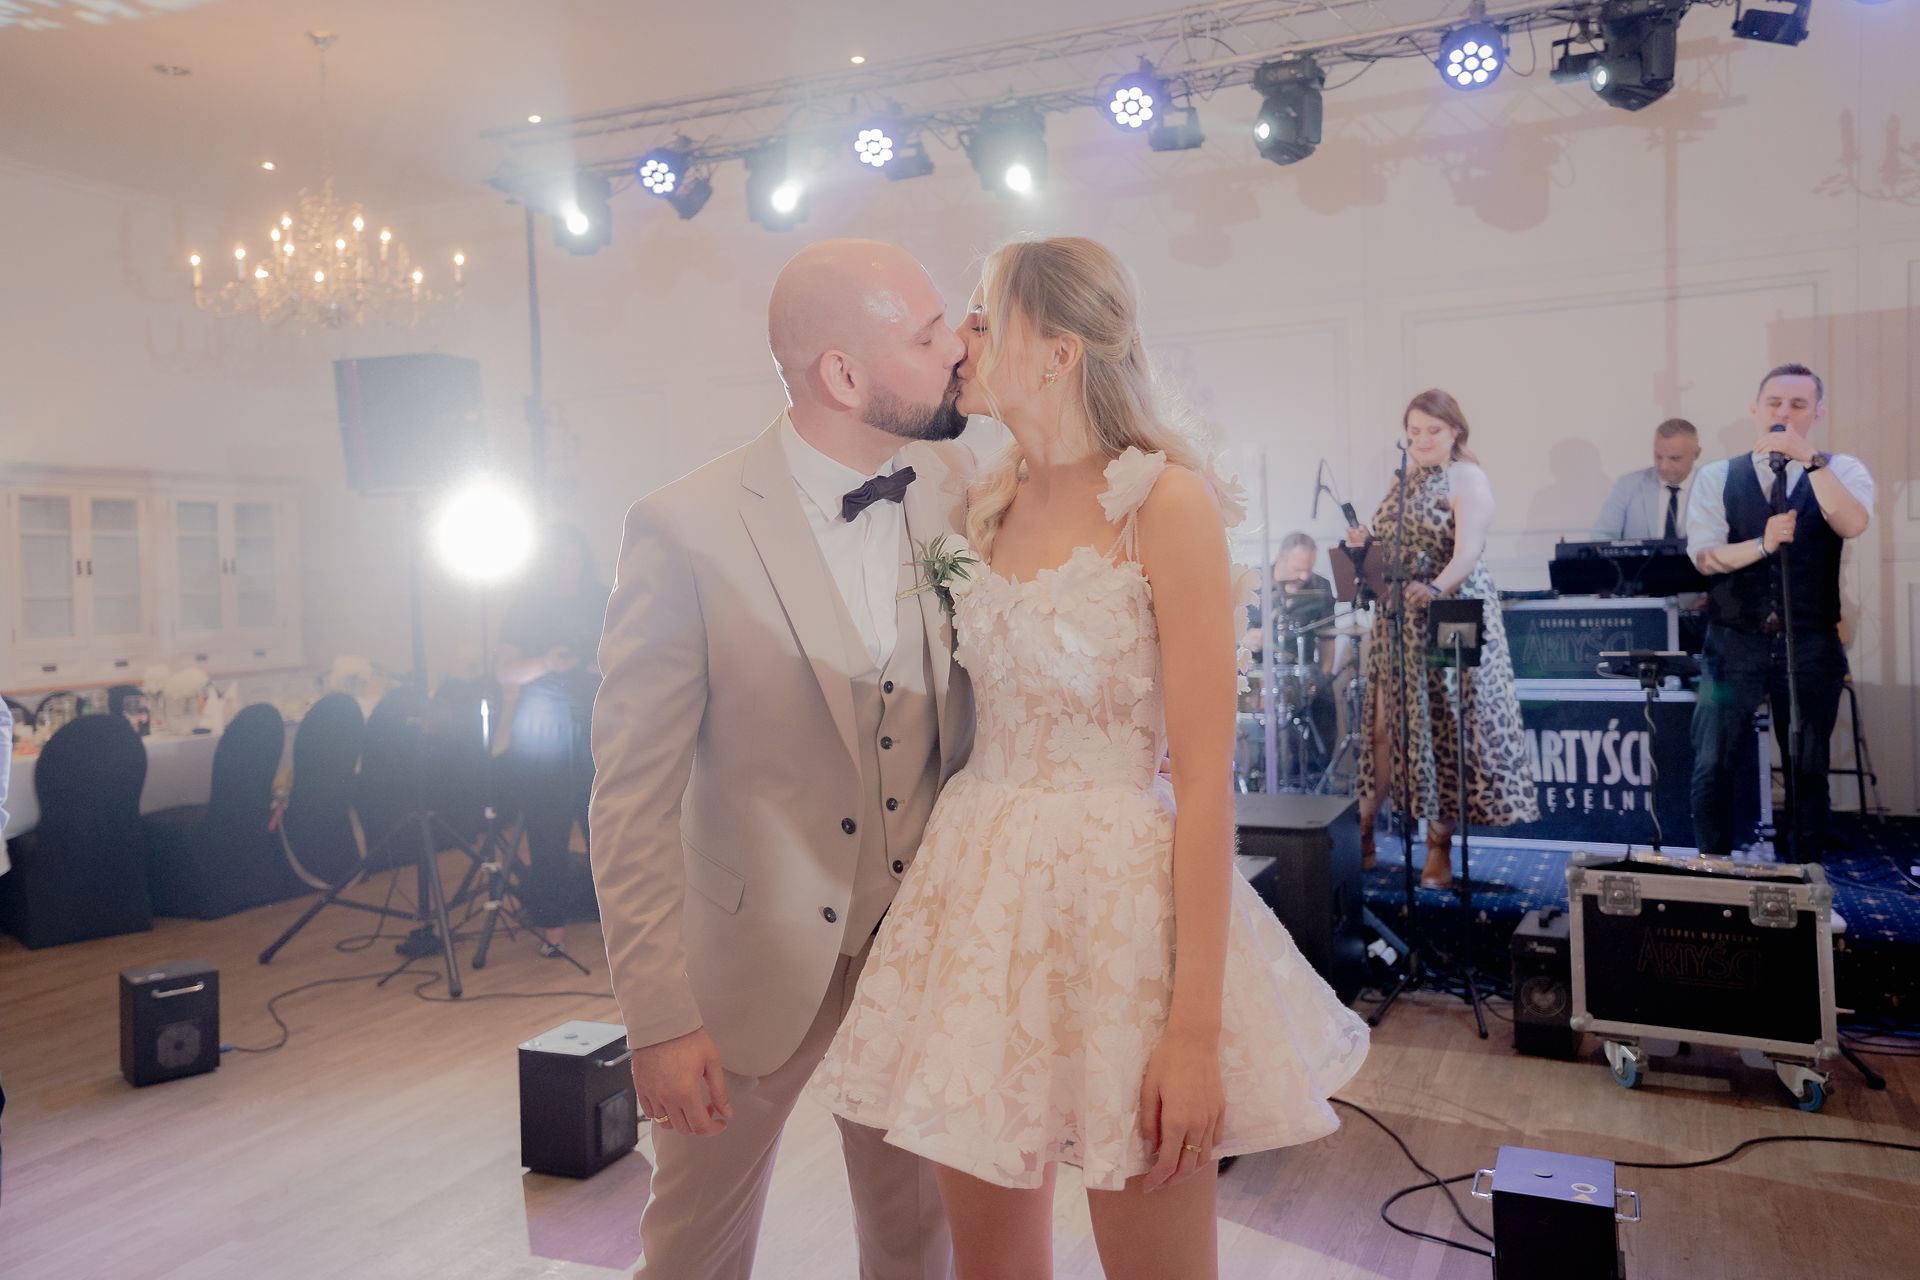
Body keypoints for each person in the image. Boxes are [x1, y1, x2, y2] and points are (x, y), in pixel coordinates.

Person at [811, 237, 1368, 1280]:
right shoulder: (979, 501)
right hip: (978, 897)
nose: (962, 339)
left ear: (1059, 351)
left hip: (1123, 904)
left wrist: (1193, 1030)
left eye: (983, 315)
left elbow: (1207, 781)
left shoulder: (1168, 502)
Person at [589, 239, 974, 1280]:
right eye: (929, 333)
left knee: (917, 1243)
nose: (959, 349)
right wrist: (658, 1019)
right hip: (745, 967)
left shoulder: (958, 490)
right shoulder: (684, 529)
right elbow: (627, 801)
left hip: (919, 961)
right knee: (694, 1254)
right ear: (844, 374)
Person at [1345, 391, 1538, 886]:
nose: (1422, 440)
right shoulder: (1400, 480)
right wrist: (1363, 546)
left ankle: (1439, 846)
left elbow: (1469, 552)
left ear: (1455, 431)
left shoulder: (1467, 477)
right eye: (1413, 432)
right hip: (1397, 618)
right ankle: (1364, 830)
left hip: (1451, 610)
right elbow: (1387, 549)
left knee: (1445, 730)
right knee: (1383, 727)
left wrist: (1433, 588)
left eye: (1432, 430)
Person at [1685, 363, 1873, 861]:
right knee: (1712, 762)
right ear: (1755, 409)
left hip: (1809, 640)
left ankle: (1806, 889)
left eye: (1797, 404)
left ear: (1817, 413)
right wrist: (1762, 545)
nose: (1783, 413)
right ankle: (1714, 871)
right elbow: (1704, 556)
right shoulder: (1717, 475)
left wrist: (1812, 462)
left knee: (1806, 768)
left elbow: (1851, 523)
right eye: (1774, 402)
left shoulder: (1843, 469)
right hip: (1732, 639)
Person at [495, 524, 610, 955]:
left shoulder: (603, 599)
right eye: (561, 560)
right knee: (547, 832)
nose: (570, 568)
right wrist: (547, 661)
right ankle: (552, 931)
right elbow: (505, 671)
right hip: (541, 732)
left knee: (605, 832)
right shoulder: (527, 606)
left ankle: (617, 927)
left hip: (597, 728)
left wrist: (602, 665)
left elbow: (637, 655)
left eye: (576, 559)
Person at [1240, 532, 1339, 770]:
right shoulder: (1253, 583)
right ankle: (1253, 770)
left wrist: (1324, 678)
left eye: (1308, 569)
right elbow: (1223, 631)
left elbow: (1328, 643)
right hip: (1258, 675)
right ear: (1280, 558)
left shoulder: (1320, 587)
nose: (1304, 576)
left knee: (1326, 701)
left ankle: (1317, 774)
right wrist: (1244, 639)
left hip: (1302, 673)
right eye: (1297, 569)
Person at [1591, 418, 1702, 541]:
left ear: (1696, 454)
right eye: (1658, 456)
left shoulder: (1716, 490)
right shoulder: (1628, 485)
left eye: (1674, 458)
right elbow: (1601, 538)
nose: (1663, 466)